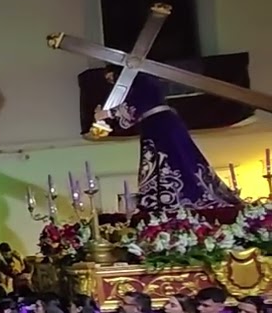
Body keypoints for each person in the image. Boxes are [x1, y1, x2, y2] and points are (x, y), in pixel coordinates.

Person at [94, 70, 239, 210]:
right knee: (166, 161)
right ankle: (165, 199)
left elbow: (139, 102)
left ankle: (184, 198)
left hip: (161, 125)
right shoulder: (140, 81)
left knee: (175, 160)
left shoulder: (142, 79)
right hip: (156, 125)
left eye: (110, 77)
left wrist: (108, 113)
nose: (110, 80)